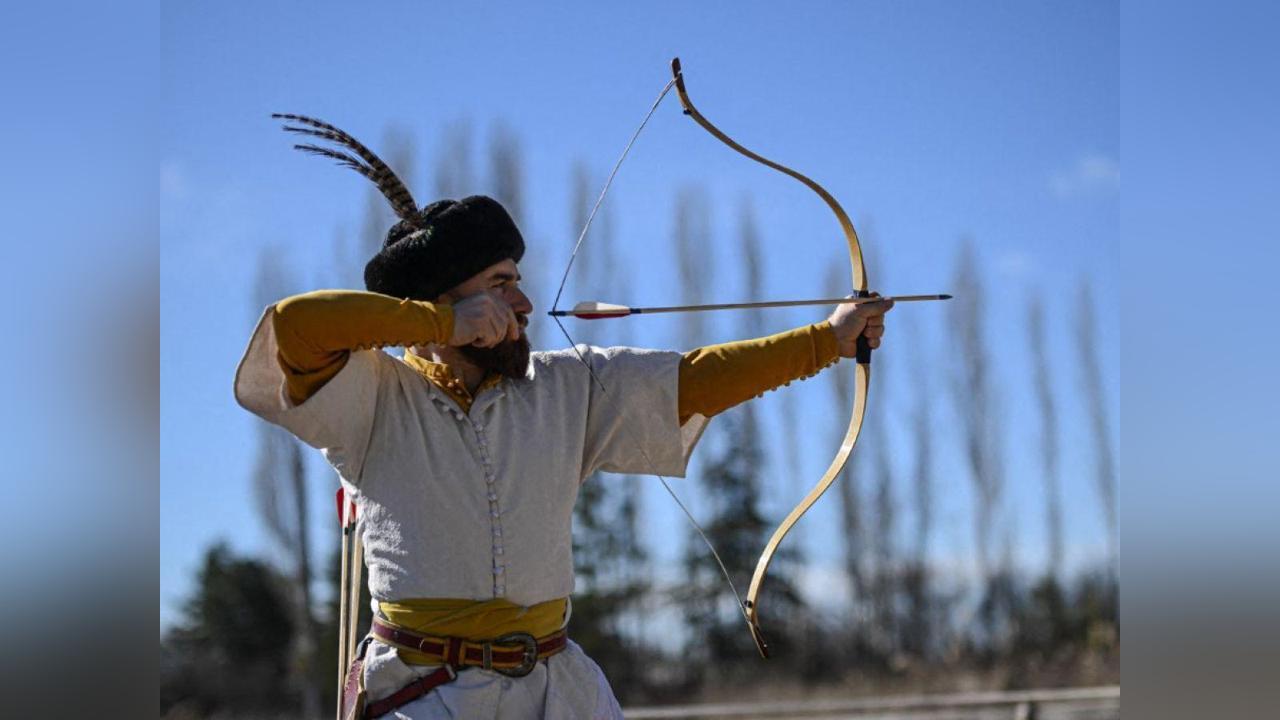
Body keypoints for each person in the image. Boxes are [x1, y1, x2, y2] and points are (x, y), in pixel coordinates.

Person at [235, 115, 892, 719]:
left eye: (516, 279)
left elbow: (696, 378)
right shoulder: (372, 396)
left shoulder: (561, 386)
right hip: (421, 693)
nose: (522, 302)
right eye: (498, 283)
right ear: (437, 301)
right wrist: (438, 323)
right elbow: (294, 326)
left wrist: (826, 341)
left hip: (555, 685)